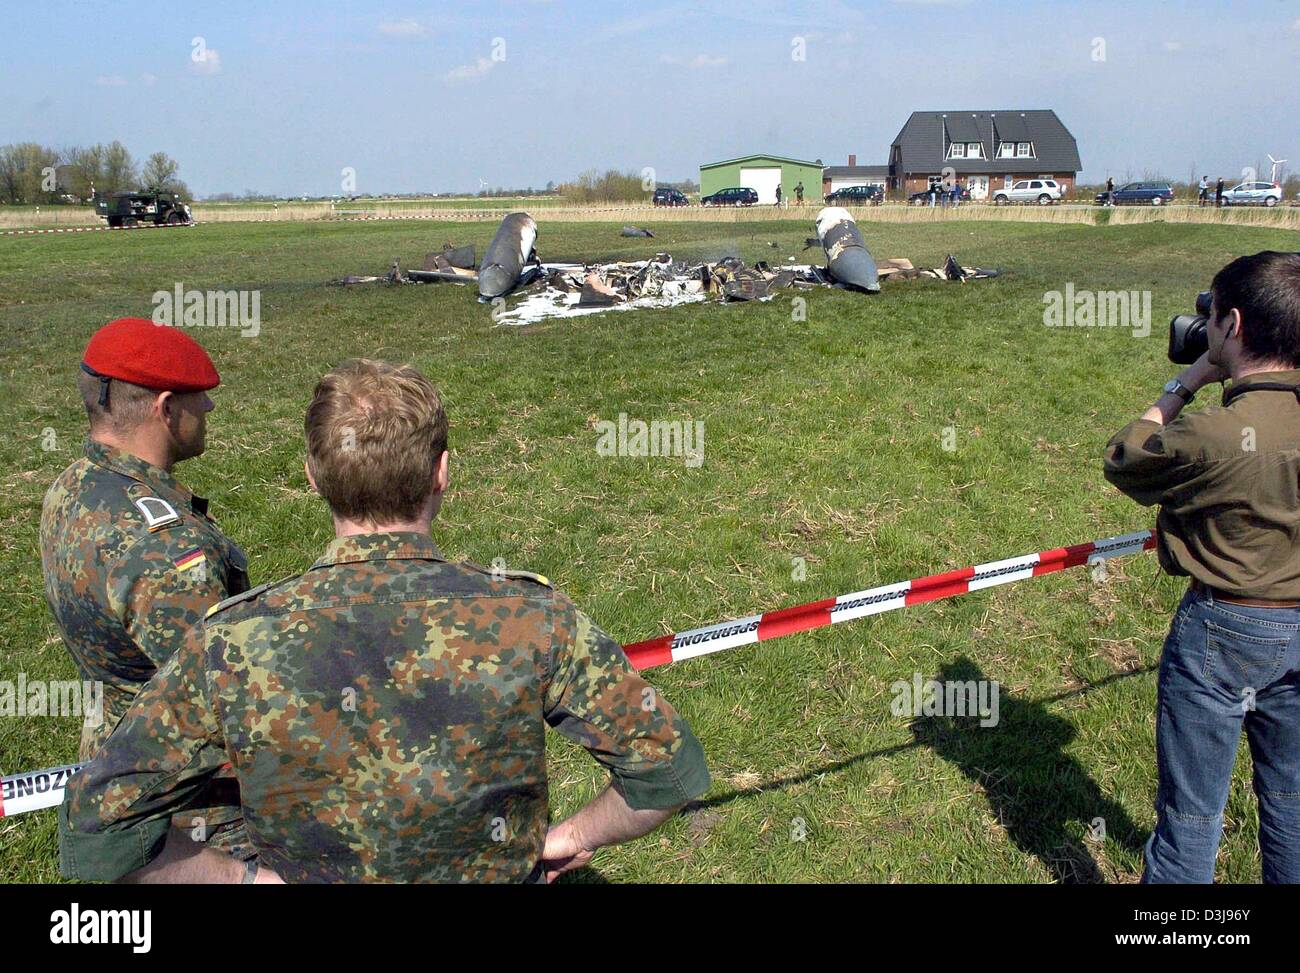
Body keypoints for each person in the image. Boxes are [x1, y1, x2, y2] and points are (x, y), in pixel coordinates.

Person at [60, 359, 711, 883]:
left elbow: (98, 822)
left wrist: (237, 878)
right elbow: (670, 768)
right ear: (442, 473)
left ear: (313, 476)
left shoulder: (232, 641)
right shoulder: (532, 616)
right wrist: (567, 837)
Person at [1103, 251, 1300, 884]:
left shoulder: (1216, 433)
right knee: (1293, 806)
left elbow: (1126, 455)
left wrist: (1185, 384)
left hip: (1225, 628)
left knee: (1191, 818)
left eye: (1210, 316)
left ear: (1232, 325)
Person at [41, 317, 252, 860]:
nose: (208, 410)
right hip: (194, 814)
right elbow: (224, 705)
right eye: (198, 399)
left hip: (110, 749)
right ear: (164, 408)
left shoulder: (73, 488)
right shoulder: (166, 551)